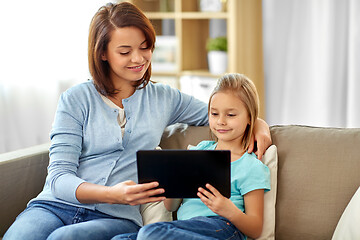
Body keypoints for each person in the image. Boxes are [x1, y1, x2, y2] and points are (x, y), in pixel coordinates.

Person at [3, 2, 271, 240]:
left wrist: (260, 124)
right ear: (103, 53)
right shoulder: (74, 100)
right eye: (125, 51)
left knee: (67, 238)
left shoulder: (163, 97)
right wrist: (112, 193)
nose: (138, 58)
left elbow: (220, 112)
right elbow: (59, 178)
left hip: (115, 217)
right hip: (54, 205)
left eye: (145, 47)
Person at [116, 73, 271, 240]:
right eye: (214, 114)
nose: (221, 121)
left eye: (231, 115)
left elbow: (255, 229)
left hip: (223, 226)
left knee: (150, 233)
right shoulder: (199, 151)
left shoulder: (251, 166)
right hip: (184, 229)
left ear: (250, 118)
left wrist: (228, 210)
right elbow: (171, 206)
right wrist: (173, 184)